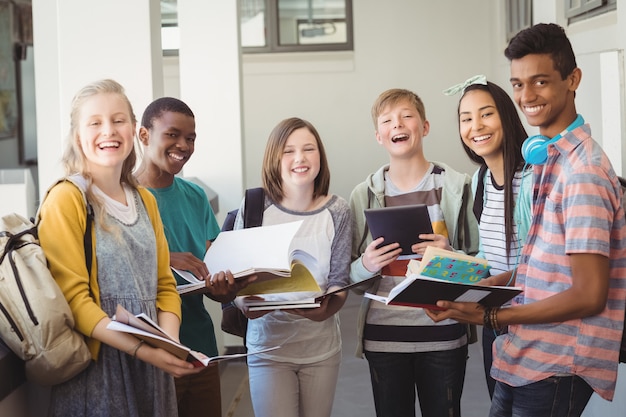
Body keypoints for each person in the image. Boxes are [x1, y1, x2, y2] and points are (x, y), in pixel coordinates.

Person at [426, 23, 626, 417]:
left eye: (539, 82)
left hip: (558, 363)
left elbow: (588, 294)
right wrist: (482, 290)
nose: (527, 96)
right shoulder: (551, 159)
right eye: (518, 84)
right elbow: (544, 268)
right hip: (524, 354)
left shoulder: (582, 172)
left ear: (573, 80)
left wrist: (491, 314)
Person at [38, 79, 202, 417]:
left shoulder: (144, 200)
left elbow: (165, 286)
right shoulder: (67, 199)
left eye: (118, 120)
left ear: (133, 130)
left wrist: (168, 345)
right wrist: (146, 351)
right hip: (97, 374)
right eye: (95, 123)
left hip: (152, 373)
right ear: (77, 136)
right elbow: (75, 302)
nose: (108, 131)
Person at [349, 88, 480, 417]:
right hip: (384, 337)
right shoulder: (363, 194)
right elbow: (346, 276)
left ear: (424, 126)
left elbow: (480, 264)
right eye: (387, 120)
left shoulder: (457, 186)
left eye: (407, 116)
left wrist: (450, 255)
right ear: (378, 136)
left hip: (444, 334)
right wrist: (366, 264)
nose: (398, 124)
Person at [135, 97, 250, 417]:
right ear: (144, 136)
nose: (183, 145)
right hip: (149, 351)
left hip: (200, 348)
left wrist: (225, 288)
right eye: (172, 135)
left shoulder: (195, 196)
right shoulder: (122, 197)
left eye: (190, 138)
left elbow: (211, 269)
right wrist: (166, 258)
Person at [233, 117, 352, 417]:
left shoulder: (337, 210)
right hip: (267, 348)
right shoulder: (254, 207)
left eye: (309, 149)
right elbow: (236, 280)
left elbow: (339, 280)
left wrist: (326, 309)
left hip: (321, 349)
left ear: (320, 157)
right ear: (275, 158)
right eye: (288, 151)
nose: (300, 158)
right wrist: (243, 303)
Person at [444, 75, 533, 398]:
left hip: (532, 320)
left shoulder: (532, 179)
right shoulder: (480, 178)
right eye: (466, 119)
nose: (475, 126)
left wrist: (492, 285)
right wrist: (449, 259)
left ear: (507, 116)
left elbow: (544, 265)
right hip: (494, 321)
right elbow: (488, 256)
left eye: (486, 114)